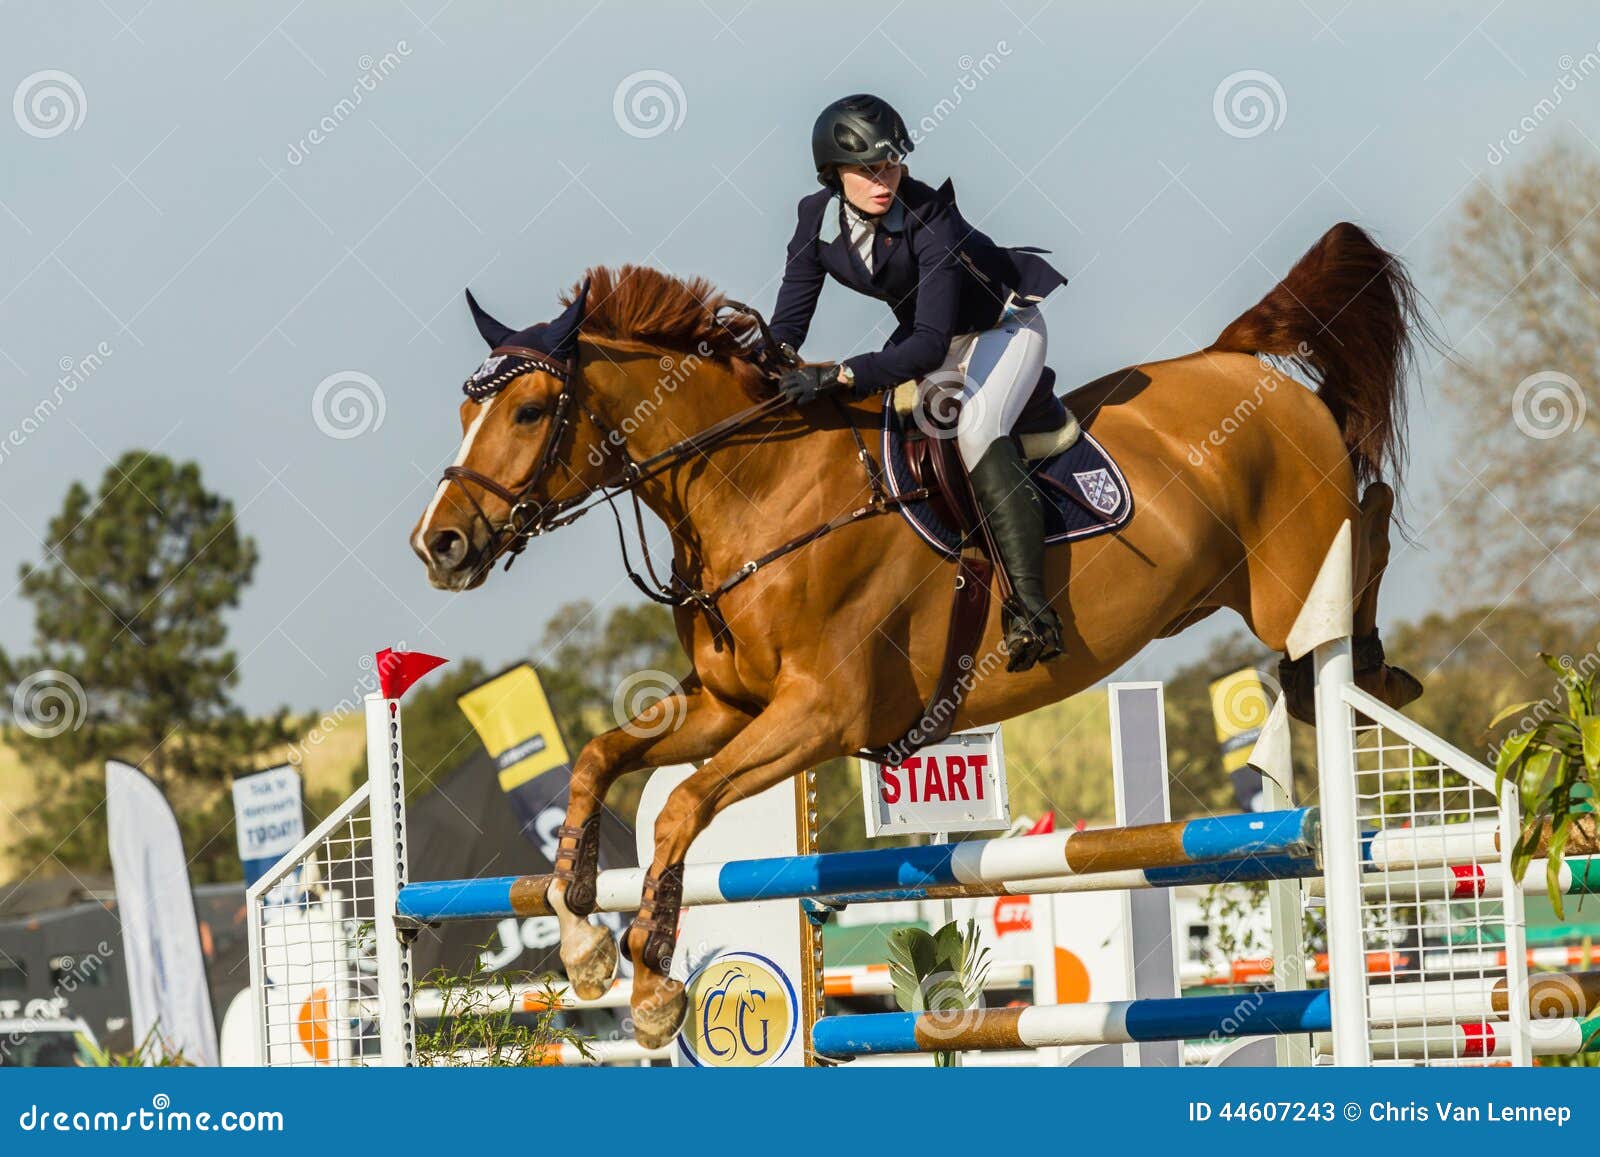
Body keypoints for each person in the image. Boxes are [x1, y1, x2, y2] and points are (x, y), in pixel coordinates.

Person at [769, 93, 1072, 672]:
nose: (884, 179)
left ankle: (1033, 610)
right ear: (833, 174)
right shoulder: (814, 217)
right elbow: (787, 325)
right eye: (867, 170)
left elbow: (930, 346)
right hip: (934, 336)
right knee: (886, 429)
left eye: (892, 164)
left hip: (1002, 327)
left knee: (978, 428)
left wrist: (841, 374)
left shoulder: (932, 217)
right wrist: (763, 364)